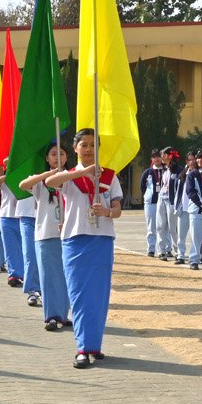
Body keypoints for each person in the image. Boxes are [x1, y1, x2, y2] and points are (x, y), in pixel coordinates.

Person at [46, 129, 122, 369]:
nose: (88, 149)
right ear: (75, 148)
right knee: (78, 296)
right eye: (84, 145)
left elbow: (117, 209)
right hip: (75, 240)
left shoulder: (109, 176)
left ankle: (93, 346)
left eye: (92, 145)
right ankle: (82, 348)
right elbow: (50, 182)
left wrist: (107, 212)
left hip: (102, 240)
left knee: (99, 296)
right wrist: (82, 172)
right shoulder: (69, 176)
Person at [18, 139, 71, 331]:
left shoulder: (72, 177)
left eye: (61, 154)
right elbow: (22, 185)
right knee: (49, 278)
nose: (58, 158)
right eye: (53, 154)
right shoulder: (41, 181)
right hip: (46, 234)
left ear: (67, 157)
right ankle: (52, 316)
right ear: (47, 158)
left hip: (69, 234)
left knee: (66, 277)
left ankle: (63, 315)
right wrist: (48, 174)